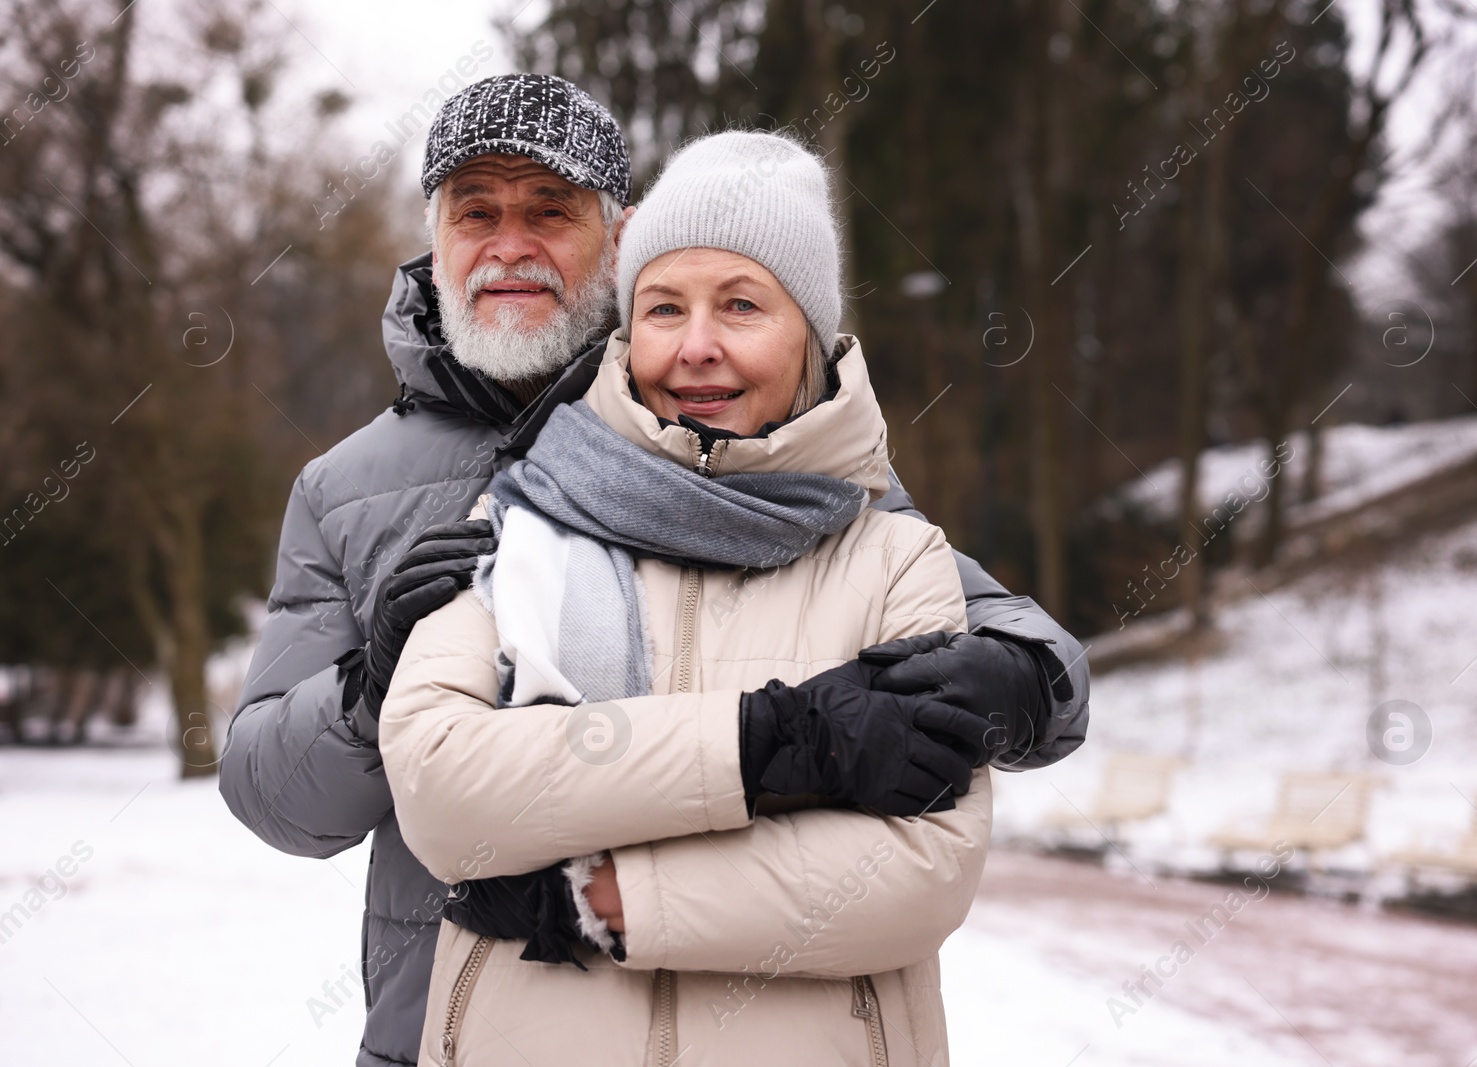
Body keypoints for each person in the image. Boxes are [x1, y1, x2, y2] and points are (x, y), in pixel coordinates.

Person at [219, 74, 1089, 1067]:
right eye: (477, 213)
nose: (510, 245)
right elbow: (272, 795)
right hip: (444, 1032)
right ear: (435, 234)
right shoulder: (344, 487)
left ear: (621, 233)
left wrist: (1023, 679)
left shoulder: (759, 440)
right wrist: (366, 688)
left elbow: (959, 614)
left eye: (550, 210)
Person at [382, 129, 993, 1066]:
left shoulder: (897, 560)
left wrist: (605, 891)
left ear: (812, 336)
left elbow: (920, 872)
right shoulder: (526, 516)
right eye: (664, 308)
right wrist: (770, 743)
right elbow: (441, 786)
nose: (697, 348)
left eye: (742, 305)